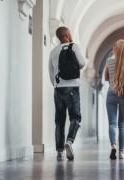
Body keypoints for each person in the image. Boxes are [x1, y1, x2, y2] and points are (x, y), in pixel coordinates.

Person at [49, 27, 86, 160]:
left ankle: (59, 151)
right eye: (69, 32)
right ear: (66, 34)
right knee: (75, 117)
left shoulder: (53, 51)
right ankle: (69, 141)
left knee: (59, 120)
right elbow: (82, 63)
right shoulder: (74, 46)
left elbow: (51, 73)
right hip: (73, 87)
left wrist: (57, 86)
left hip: (58, 88)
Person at [104, 39, 124, 160]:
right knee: (122, 125)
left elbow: (106, 78)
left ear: (117, 49)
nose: (113, 47)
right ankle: (121, 153)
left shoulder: (109, 61)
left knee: (112, 124)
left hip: (111, 94)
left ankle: (113, 146)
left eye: (114, 45)